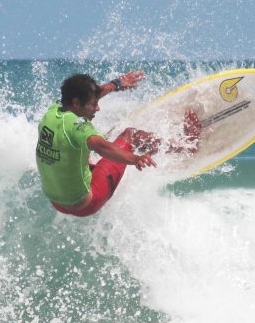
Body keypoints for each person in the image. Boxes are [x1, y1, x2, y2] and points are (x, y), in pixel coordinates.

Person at [35, 71, 199, 217]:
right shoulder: (77, 125)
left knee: (77, 149)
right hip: (86, 204)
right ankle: (185, 146)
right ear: (77, 103)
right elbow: (101, 146)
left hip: (57, 202)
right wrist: (135, 159)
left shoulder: (54, 110)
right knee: (130, 135)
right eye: (93, 104)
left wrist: (116, 85)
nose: (97, 108)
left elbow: (88, 97)